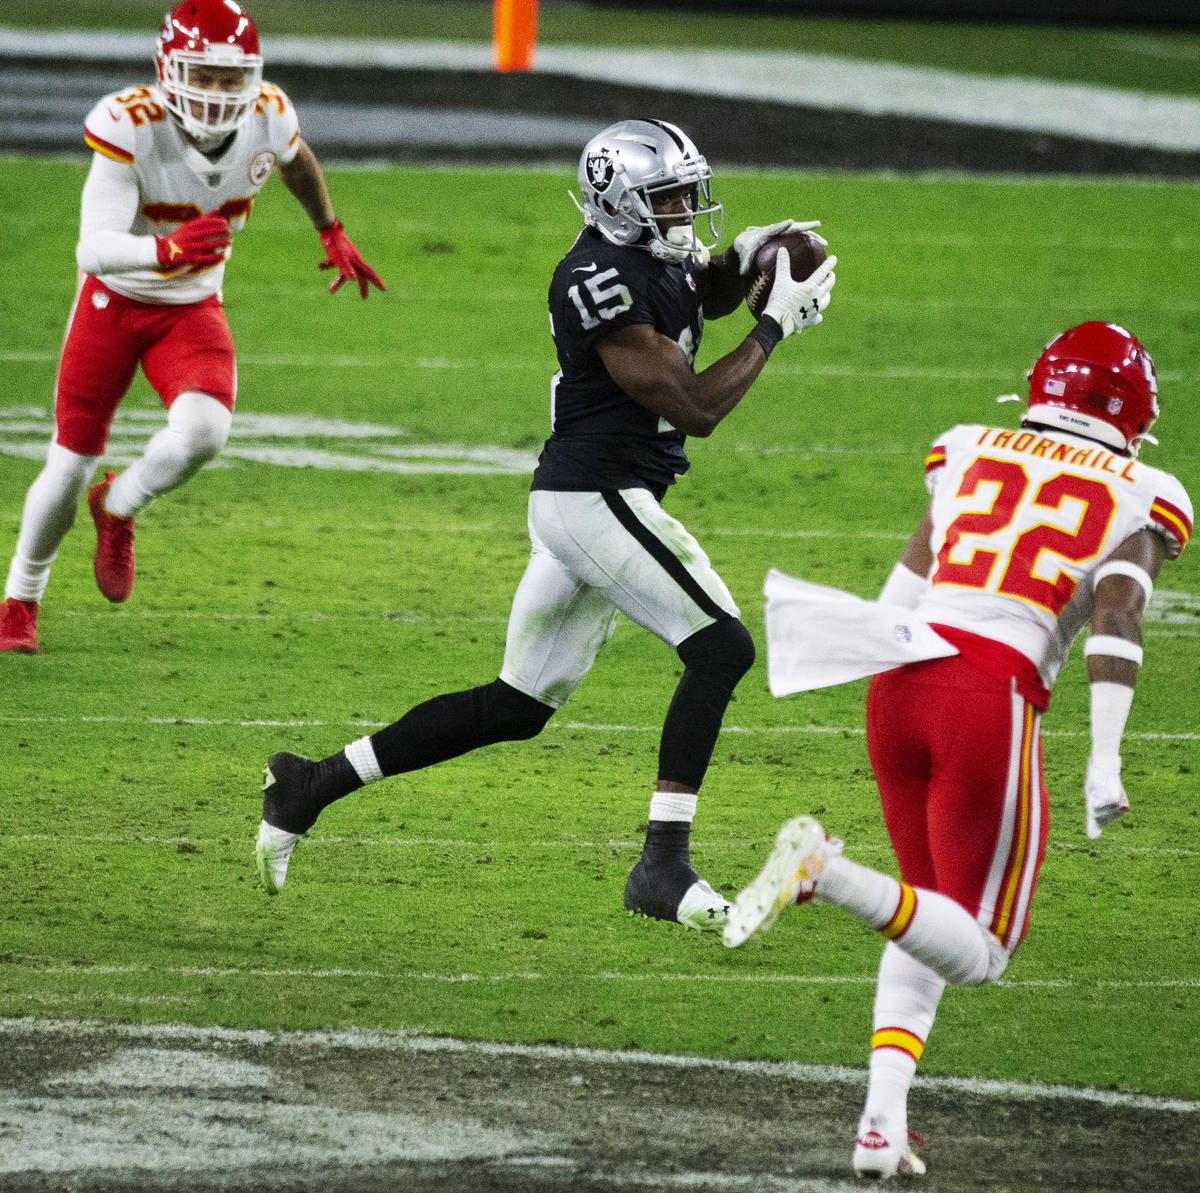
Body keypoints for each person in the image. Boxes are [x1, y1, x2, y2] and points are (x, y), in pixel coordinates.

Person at [254, 117, 837, 932]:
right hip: (595, 495)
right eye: (667, 198)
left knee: (516, 705)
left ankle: (308, 784)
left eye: (687, 195)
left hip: (594, 497)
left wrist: (744, 260)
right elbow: (695, 405)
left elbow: (695, 293)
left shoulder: (646, 258)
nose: (684, 214)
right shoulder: (595, 276)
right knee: (721, 647)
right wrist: (773, 326)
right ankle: (661, 865)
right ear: (622, 205)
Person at [722, 322, 1192, 1177]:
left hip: (898, 679)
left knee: (926, 913)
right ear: (1131, 412)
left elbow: (900, 590)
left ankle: (879, 1123)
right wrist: (1104, 760)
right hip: (988, 691)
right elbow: (1118, 613)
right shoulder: (1146, 488)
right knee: (982, 947)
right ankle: (824, 871)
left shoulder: (970, 446)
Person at [0, 0, 383, 655]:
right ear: (168, 69)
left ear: (252, 78)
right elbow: (92, 249)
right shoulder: (133, 124)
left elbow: (295, 160)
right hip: (113, 304)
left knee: (207, 429)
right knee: (68, 465)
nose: (215, 92)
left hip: (192, 306)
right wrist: (167, 251)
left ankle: (119, 504)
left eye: (229, 79)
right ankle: (20, 600)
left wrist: (329, 226)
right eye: (201, 77)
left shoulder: (270, 114)